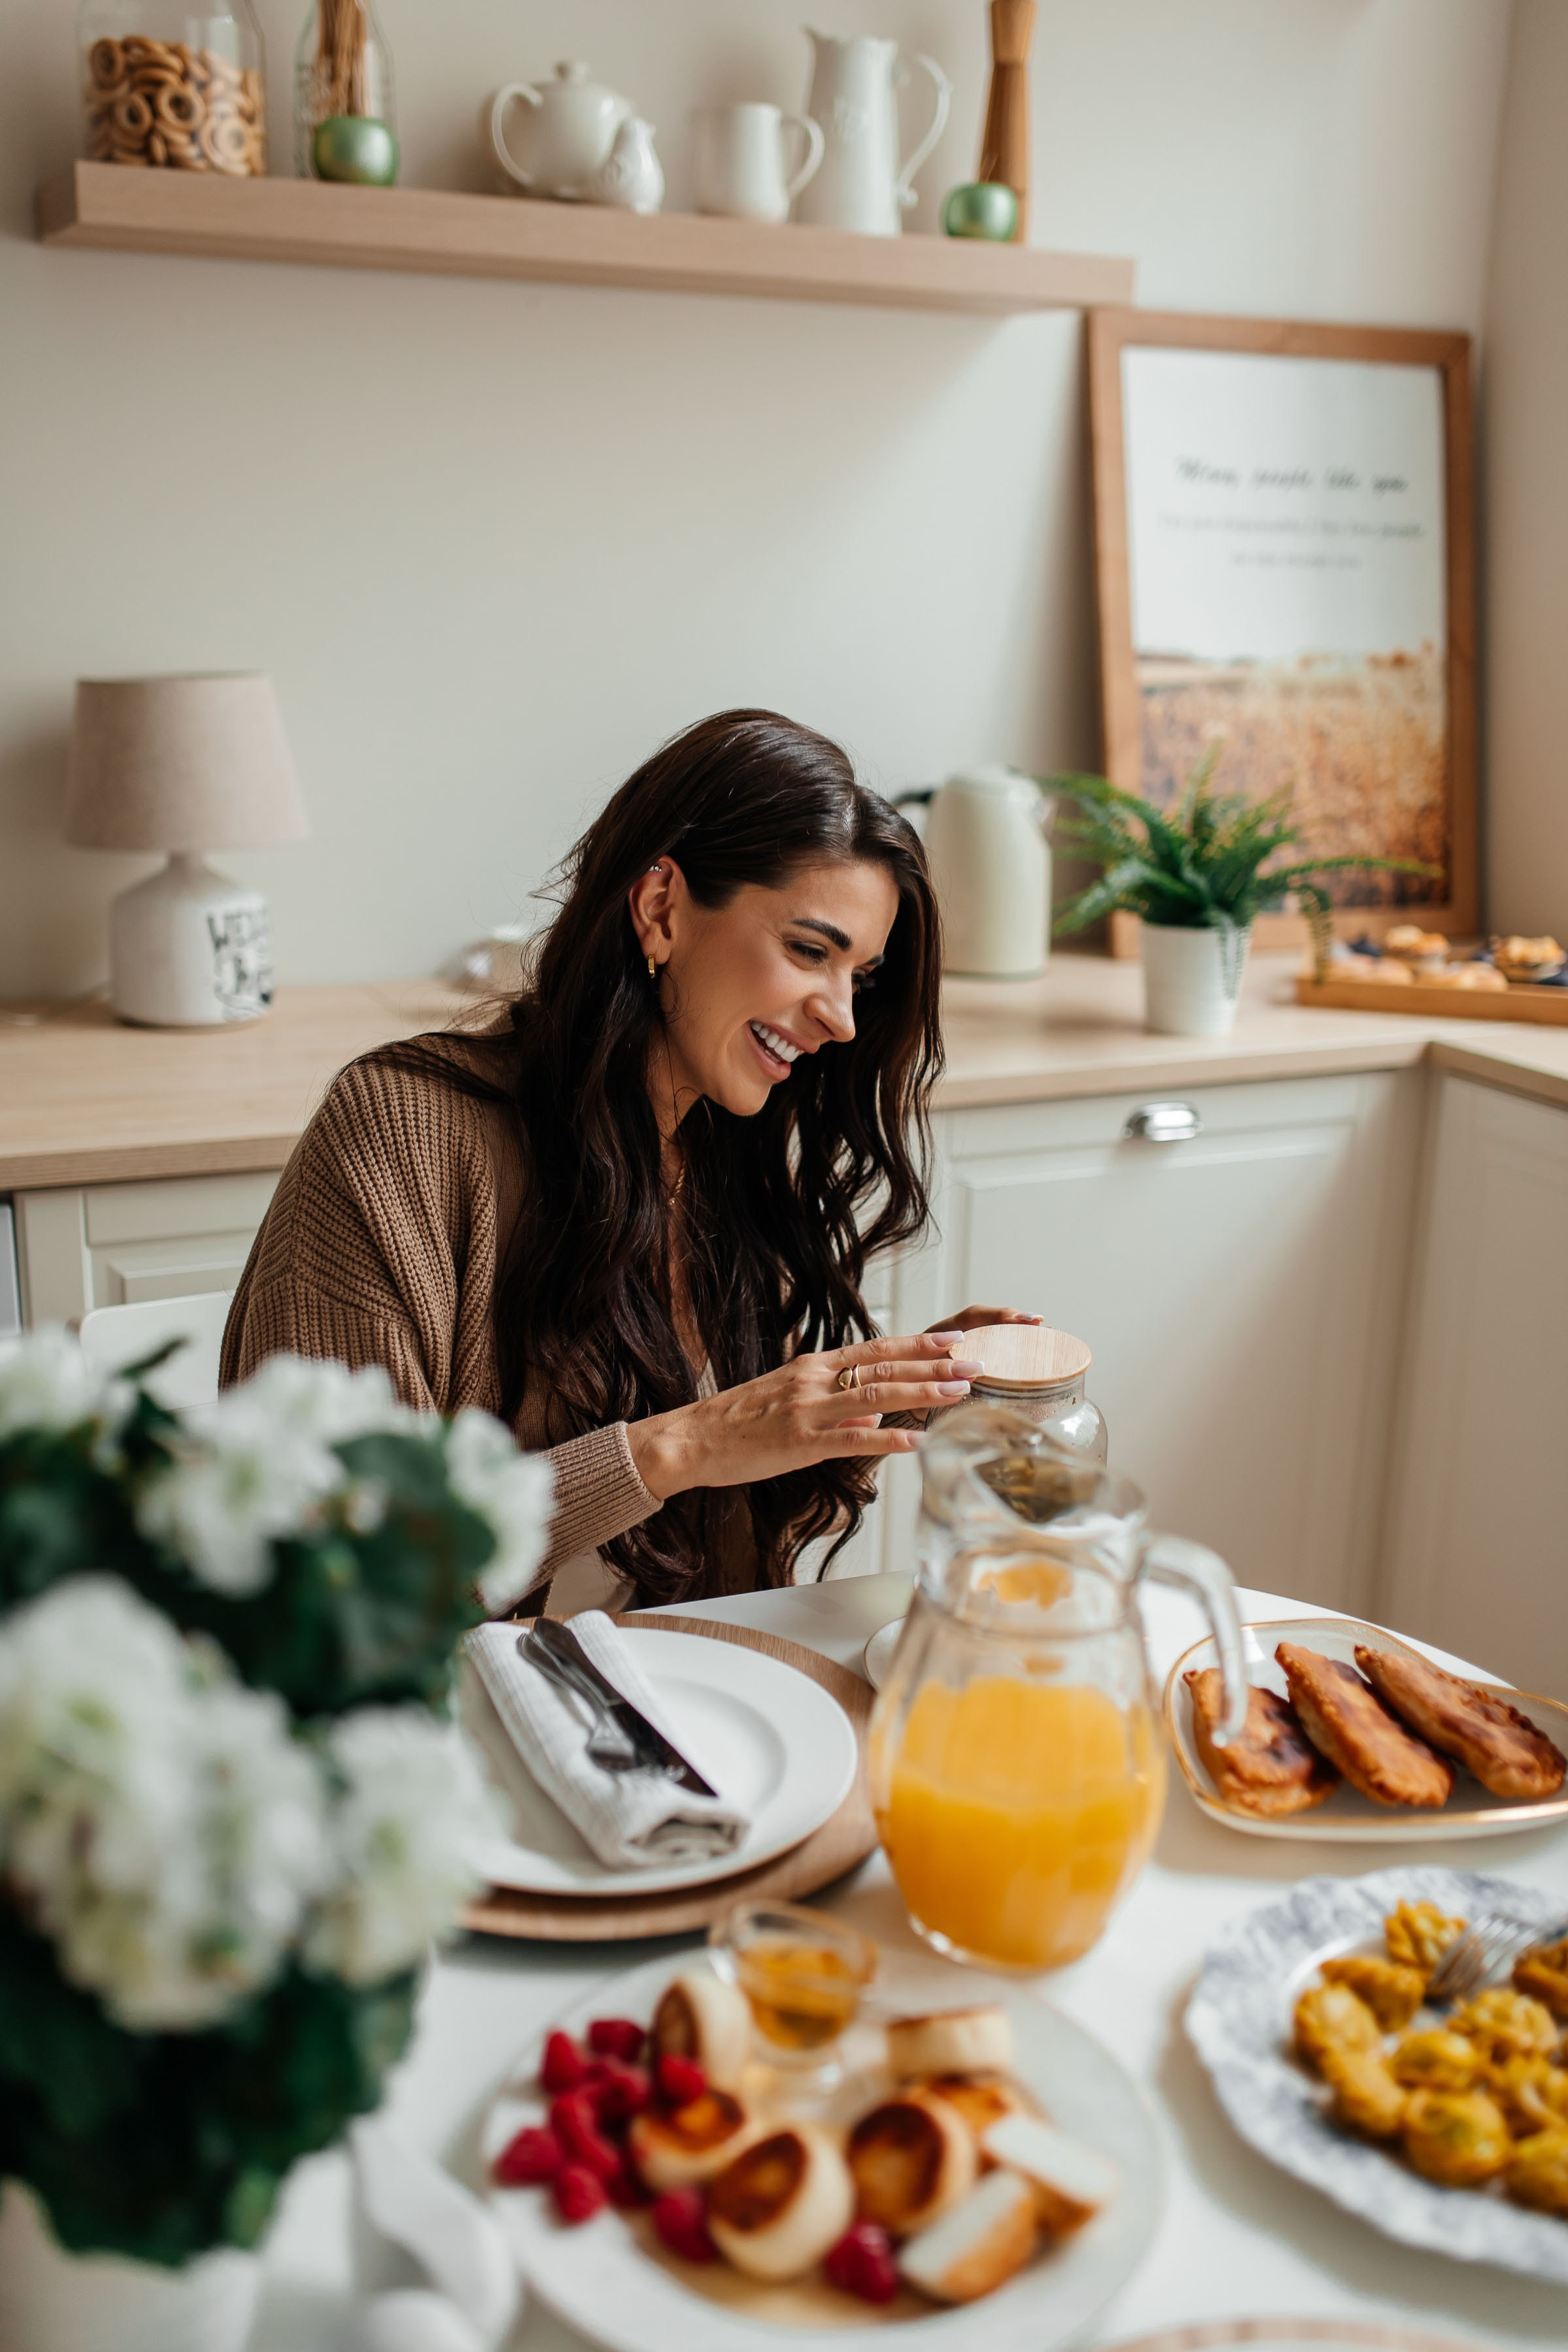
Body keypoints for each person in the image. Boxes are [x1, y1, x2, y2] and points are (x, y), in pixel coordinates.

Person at [221, 710, 1036, 1612]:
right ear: (660, 910)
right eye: (810, 950)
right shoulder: (399, 1137)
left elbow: (691, 1544)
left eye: (862, 977)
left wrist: (877, 1403)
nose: (842, 1017)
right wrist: (680, 1444)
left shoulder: (726, 1147)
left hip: (681, 1701)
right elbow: (342, 1580)